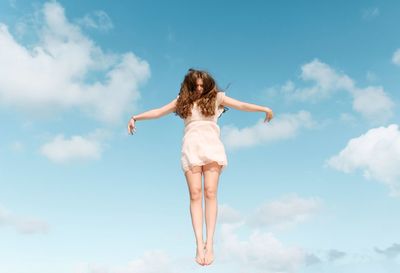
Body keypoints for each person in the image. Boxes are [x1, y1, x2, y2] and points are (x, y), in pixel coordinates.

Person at [127, 69, 273, 266]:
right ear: (190, 86)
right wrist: (136, 117)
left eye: (202, 85)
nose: (200, 89)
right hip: (191, 147)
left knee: (210, 192)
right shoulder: (182, 101)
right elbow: (159, 112)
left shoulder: (217, 98)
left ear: (208, 85)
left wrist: (264, 108)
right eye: (196, 86)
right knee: (195, 194)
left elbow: (241, 105)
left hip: (212, 147)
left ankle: (210, 243)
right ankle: (199, 243)